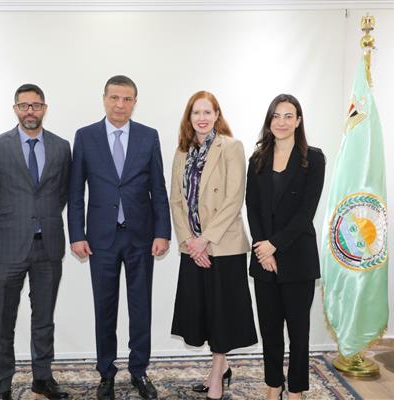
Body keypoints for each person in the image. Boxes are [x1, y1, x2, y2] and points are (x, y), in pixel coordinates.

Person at [68, 75, 171, 400]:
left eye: (127, 99)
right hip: (101, 240)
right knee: (105, 308)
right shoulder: (85, 137)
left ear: (134, 102)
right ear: (104, 98)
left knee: (141, 308)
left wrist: (162, 231)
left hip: (141, 237)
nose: (120, 104)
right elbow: (75, 191)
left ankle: (139, 370)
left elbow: (158, 188)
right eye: (114, 97)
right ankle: (106, 373)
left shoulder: (148, 136)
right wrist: (76, 234)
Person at [0, 84, 71, 400]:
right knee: (4, 321)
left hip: (48, 246)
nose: (30, 111)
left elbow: (61, 193)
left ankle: (42, 379)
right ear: (15, 109)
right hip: (9, 247)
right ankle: (2, 386)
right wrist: (12, 222)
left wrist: (41, 218)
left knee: (44, 320)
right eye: (24, 105)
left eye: (36, 105)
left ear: (45, 108)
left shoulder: (61, 147)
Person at [170, 91, 258, 400]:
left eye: (208, 112)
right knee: (202, 313)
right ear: (189, 117)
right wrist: (190, 242)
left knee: (222, 314)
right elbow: (176, 200)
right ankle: (221, 367)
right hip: (193, 247)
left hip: (223, 246)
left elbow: (234, 199)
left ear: (217, 115)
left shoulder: (231, 147)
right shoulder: (182, 151)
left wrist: (205, 240)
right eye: (196, 112)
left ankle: (217, 374)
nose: (202, 118)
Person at [246, 94, 326, 400]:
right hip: (263, 259)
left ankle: (296, 389)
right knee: (269, 330)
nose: (281, 122)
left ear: (298, 121)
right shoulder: (257, 159)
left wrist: (274, 245)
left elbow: (306, 212)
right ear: (269, 121)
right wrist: (262, 249)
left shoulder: (314, 159)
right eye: (276, 116)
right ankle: (273, 384)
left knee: (298, 332)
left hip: (297, 257)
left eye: (288, 116)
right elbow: (252, 207)